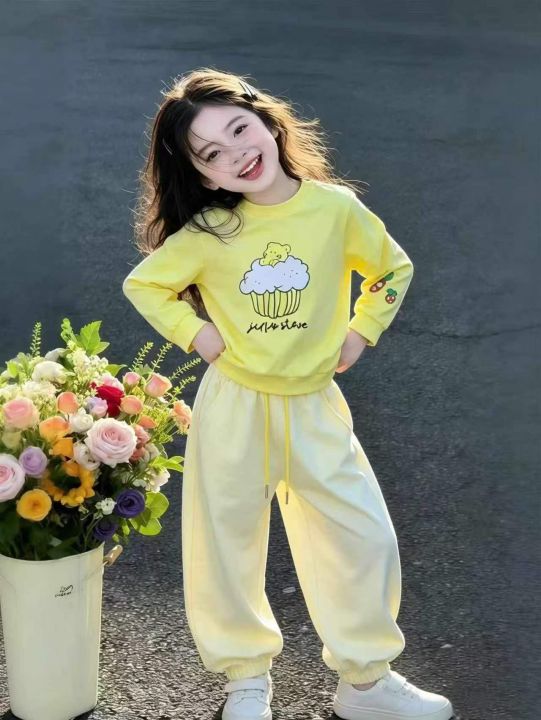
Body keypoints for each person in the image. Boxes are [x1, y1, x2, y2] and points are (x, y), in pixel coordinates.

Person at [122, 67, 454, 720]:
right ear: (203, 176)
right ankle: (245, 679)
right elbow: (145, 284)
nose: (235, 153)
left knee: (362, 536)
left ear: (268, 123)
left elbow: (391, 267)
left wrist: (361, 330)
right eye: (210, 154)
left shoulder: (334, 209)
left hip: (312, 405)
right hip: (235, 406)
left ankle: (365, 682)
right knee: (227, 541)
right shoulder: (211, 229)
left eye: (238, 130)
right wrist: (197, 334)